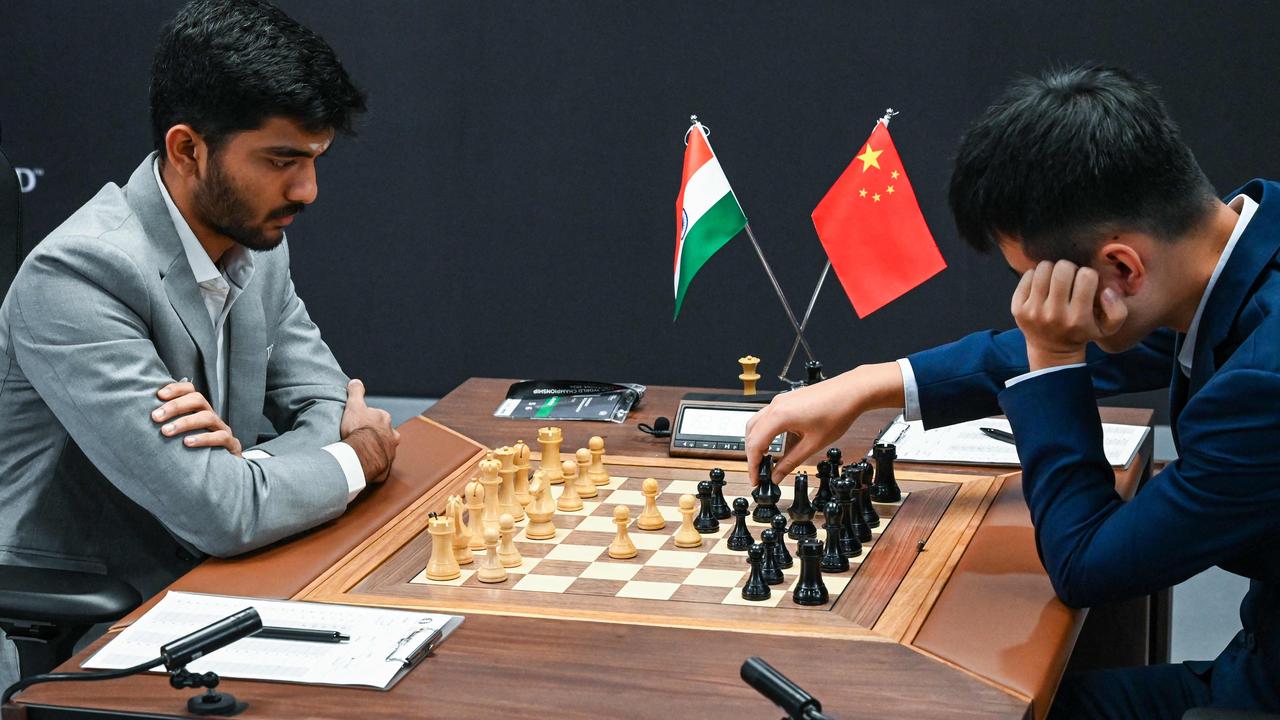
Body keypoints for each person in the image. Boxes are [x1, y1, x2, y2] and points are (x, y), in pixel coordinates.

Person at [745, 66, 1280, 717]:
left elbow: (1087, 563)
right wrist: (871, 384)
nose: (1034, 310)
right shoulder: (1233, 257)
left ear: (1119, 267)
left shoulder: (1263, 383)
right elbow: (1047, 351)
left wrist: (1055, 356)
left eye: (1037, 286)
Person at [0, 0, 399, 687]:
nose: (306, 190)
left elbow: (326, 404)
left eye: (313, 159)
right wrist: (353, 459)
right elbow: (226, 510)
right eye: (281, 160)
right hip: (100, 616)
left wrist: (247, 471)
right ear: (187, 148)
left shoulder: (256, 240)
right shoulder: (76, 278)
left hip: (234, 569)